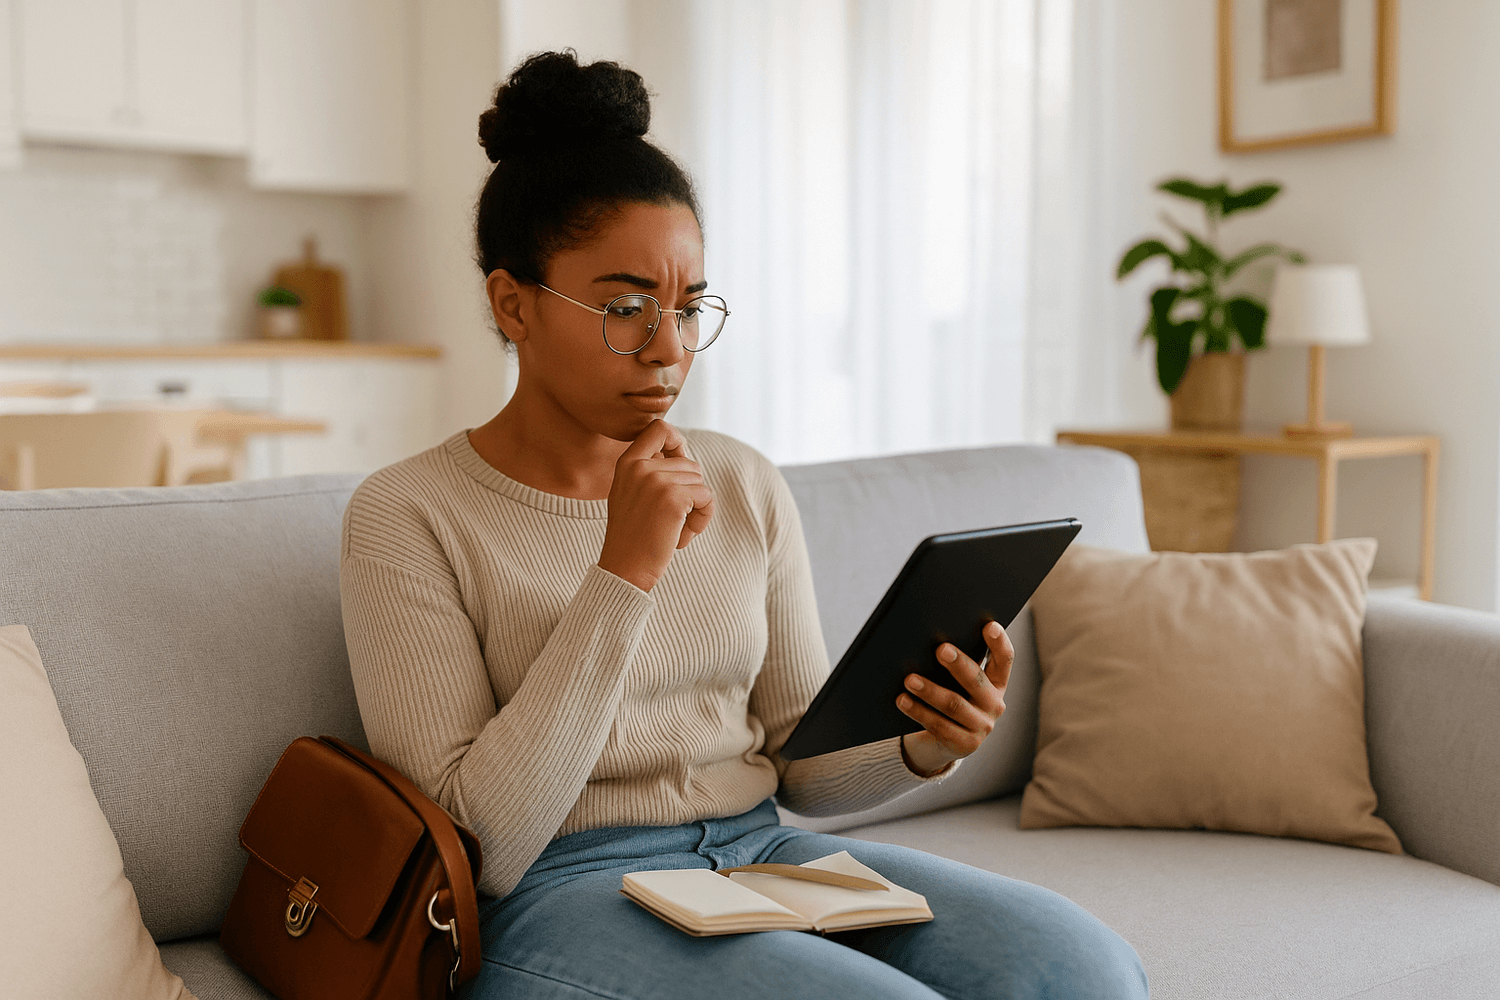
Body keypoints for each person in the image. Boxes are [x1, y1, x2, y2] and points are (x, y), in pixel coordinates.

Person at [340, 50, 1148, 1000]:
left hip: (760, 848)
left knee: (1080, 966)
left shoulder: (741, 480)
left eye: (688, 308)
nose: (670, 350)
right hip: (557, 894)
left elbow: (800, 765)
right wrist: (625, 573)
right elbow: (478, 850)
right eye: (626, 308)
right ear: (512, 303)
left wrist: (925, 744)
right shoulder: (408, 516)